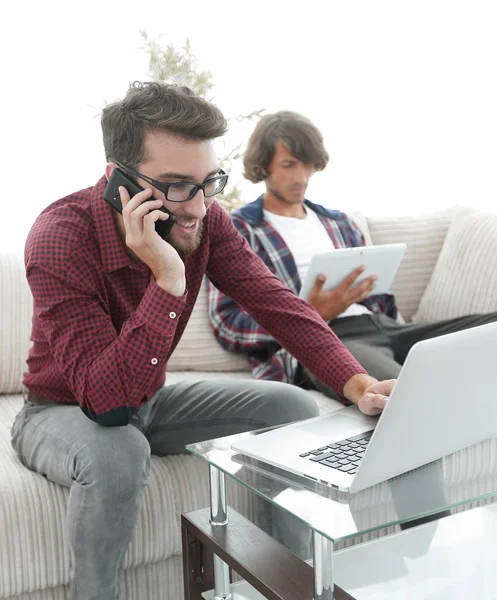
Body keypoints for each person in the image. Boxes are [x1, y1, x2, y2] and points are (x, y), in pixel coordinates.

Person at [12, 83, 395, 600]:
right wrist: (167, 280)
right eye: (174, 186)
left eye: (206, 182)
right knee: (118, 450)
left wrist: (357, 382)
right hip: (62, 410)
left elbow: (275, 302)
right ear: (117, 181)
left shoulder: (206, 218)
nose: (197, 206)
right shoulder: (60, 235)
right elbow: (104, 404)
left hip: (147, 395)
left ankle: (289, 586)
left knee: (291, 402)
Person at [207, 110, 497, 399]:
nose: (302, 177)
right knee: (402, 396)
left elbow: (382, 296)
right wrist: (311, 313)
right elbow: (227, 322)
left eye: (308, 165)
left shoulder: (339, 223)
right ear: (263, 166)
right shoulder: (240, 228)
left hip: (385, 327)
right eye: (289, 165)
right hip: (329, 341)